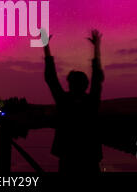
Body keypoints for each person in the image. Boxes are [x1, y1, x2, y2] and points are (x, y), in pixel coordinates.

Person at [43, 29, 104, 174]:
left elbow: (51, 79)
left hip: (67, 156)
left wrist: (46, 47)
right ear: (85, 85)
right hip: (89, 156)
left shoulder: (64, 101)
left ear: (70, 85)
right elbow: (97, 78)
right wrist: (97, 48)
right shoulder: (91, 101)